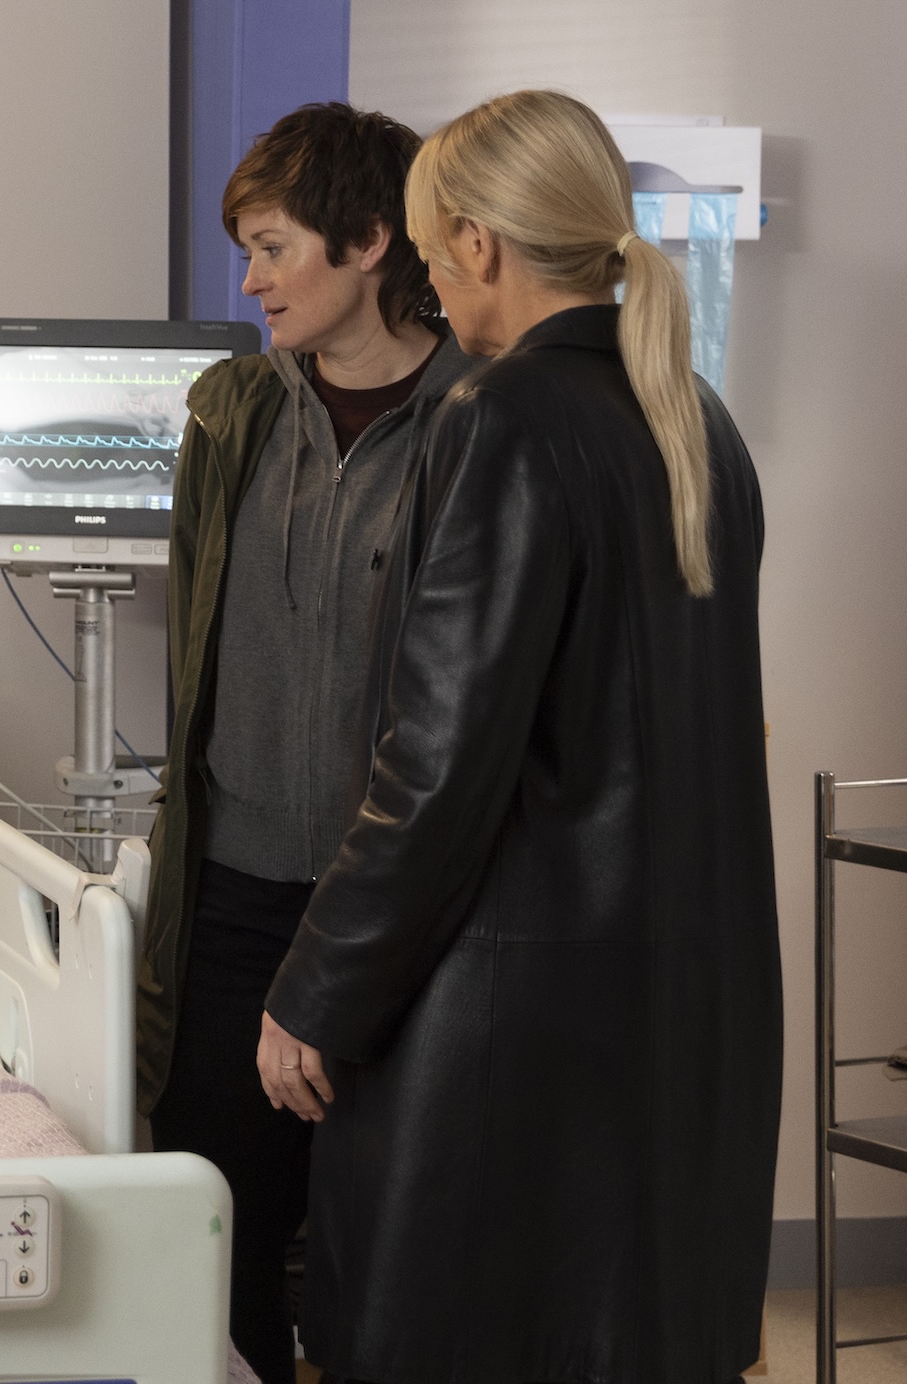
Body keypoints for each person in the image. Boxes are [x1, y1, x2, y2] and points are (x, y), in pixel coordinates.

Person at [256, 90, 779, 1383]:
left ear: (479, 245)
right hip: (673, 1009)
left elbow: (439, 765)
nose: (431, 273)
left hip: (513, 1022)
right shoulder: (692, 419)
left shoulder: (498, 420)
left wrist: (317, 994)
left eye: (434, 247)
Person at [138, 102, 479, 1383]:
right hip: (234, 901)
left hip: (399, 911)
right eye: (247, 248)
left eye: (275, 247)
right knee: (224, 1237)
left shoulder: (478, 420)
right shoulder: (231, 411)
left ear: (370, 239)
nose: (252, 279)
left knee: (386, 1251)